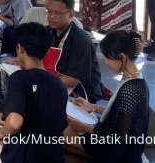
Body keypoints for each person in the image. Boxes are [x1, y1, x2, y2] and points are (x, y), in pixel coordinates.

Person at [0, 22, 68, 163]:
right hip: (53, 158)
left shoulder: (19, 77)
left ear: (20, 49)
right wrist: (5, 118)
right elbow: (55, 125)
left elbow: (15, 124)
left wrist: (1, 131)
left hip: (19, 157)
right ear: (46, 51)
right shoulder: (59, 84)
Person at [64, 30, 149, 163]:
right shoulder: (134, 78)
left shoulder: (130, 89)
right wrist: (93, 107)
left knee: (65, 135)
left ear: (122, 57)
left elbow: (119, 138)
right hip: (118, 141)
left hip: (120, 152)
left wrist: (84, 127)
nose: (106, 63)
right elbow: (122, 114)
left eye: (108, 58)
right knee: (69, 131)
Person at [44, 0, 103, 103]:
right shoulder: (47, 32)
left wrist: (39, 77)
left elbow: (72, 81)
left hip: (80, 93)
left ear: (71, 14)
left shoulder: (81, 40)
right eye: (49, 12)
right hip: (52, 81)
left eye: (57, 13)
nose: (52, 16)